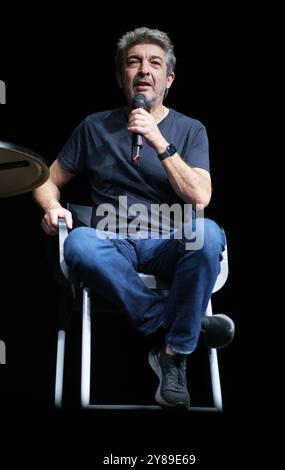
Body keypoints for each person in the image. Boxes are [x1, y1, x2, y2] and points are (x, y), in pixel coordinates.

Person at [33, 27, 234, 410]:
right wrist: (51, 206)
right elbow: (46, 179)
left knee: (207, 234)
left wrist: (159, 141)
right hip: (113, 241)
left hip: (170, 241)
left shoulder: (191, 130)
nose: (144, 69)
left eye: (154, 63)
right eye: (133, 62)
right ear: (120, 77)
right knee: (79, 242)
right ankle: (177, 332)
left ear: (168, 78)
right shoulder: (94, 126)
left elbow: (200, 195)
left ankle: (173, 350)